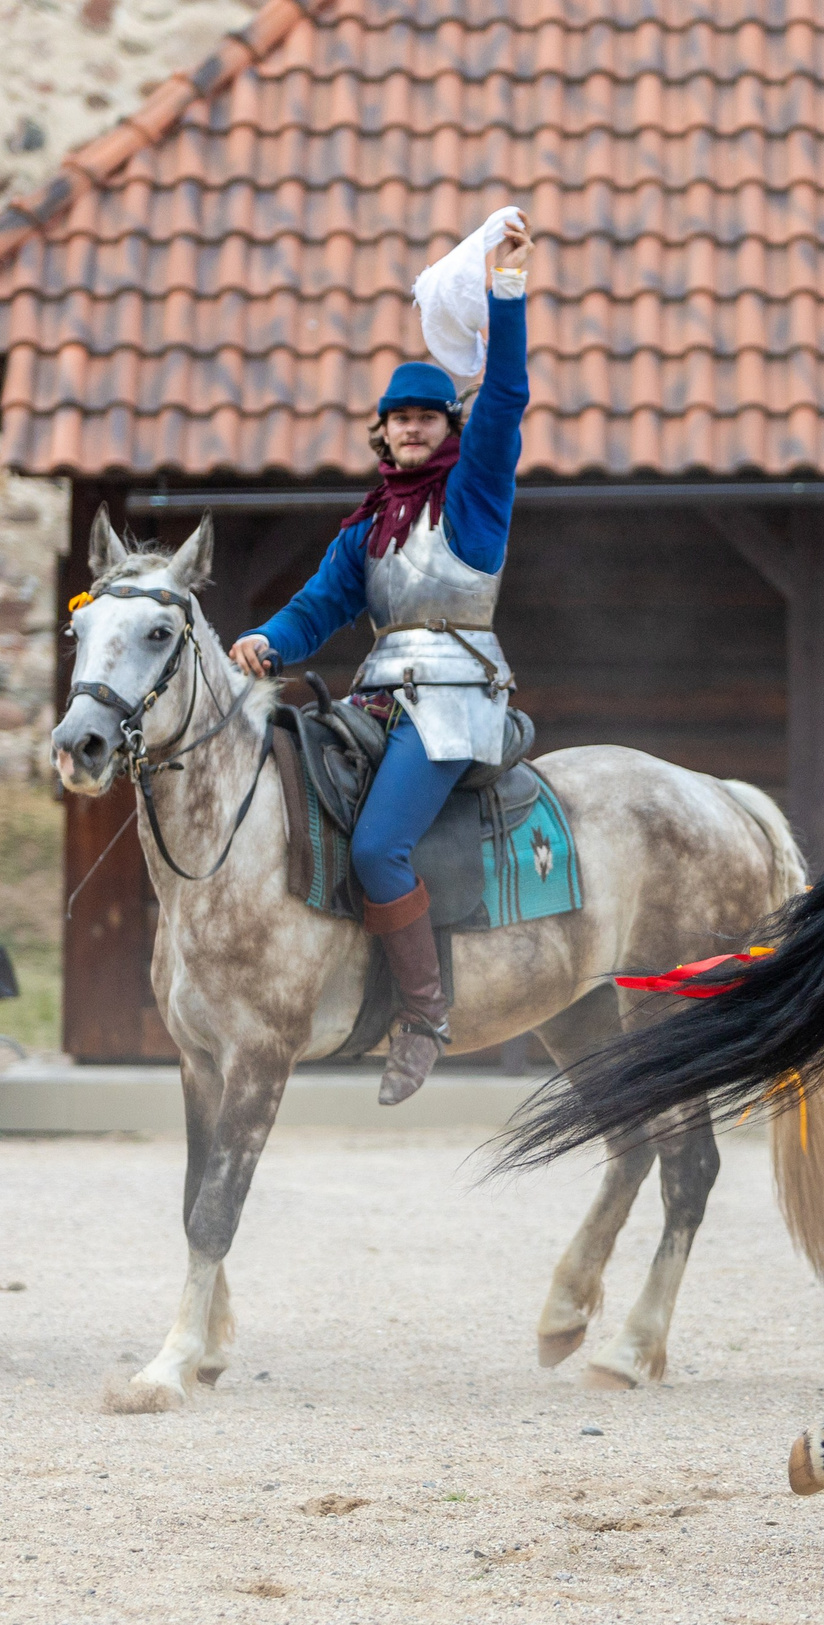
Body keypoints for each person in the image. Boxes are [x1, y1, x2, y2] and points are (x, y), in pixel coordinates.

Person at [227, 210, 534, 1106]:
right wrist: (268, 640)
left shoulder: (474, 493)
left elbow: (506, 397)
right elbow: (322, 603)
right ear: (383, 432)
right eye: (397, 418)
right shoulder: (368, 524)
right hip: (378, 699)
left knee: (375, 846)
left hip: (454, 700)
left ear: (448, 428)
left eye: (426, 417)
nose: (409, 428)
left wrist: (505, 293)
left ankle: (426, 1015)